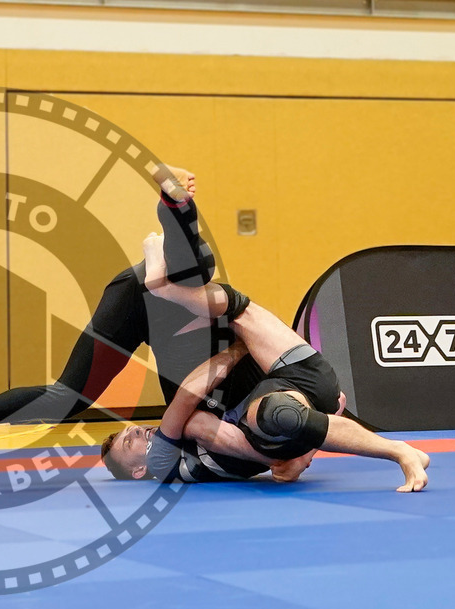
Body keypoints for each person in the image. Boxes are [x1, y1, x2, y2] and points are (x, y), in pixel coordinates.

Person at [103, 198, 430, 492]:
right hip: (265, 435)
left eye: (129, 431)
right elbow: (189, 393)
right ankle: (399, 450)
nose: (136, 432)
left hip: (301, 391)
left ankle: (166, 284)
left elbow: (334, 403)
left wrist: (304, 452)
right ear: (138, 471)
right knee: (217, 420)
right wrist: (236, 351)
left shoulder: (175, 437)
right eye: (128, 442)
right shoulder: (161, 463)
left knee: (239, 315)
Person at [0, 166, 231, 474]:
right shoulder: (212, 430)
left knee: (67, 399)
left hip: (158, 305)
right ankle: (172, 212)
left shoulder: (205, 434)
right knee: (194, 275)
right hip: (157, 300)